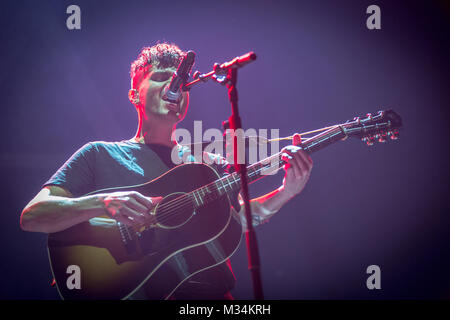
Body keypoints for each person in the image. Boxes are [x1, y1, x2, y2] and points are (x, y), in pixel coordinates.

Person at [20, 43, 313, 300]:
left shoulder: (205, 163)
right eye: (161, 78)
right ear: (135, 95)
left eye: (182, 84)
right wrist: (102, 203)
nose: (175, 88)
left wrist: (285, 192)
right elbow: (33, 216)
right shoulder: (99, 154)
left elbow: (237, 221)